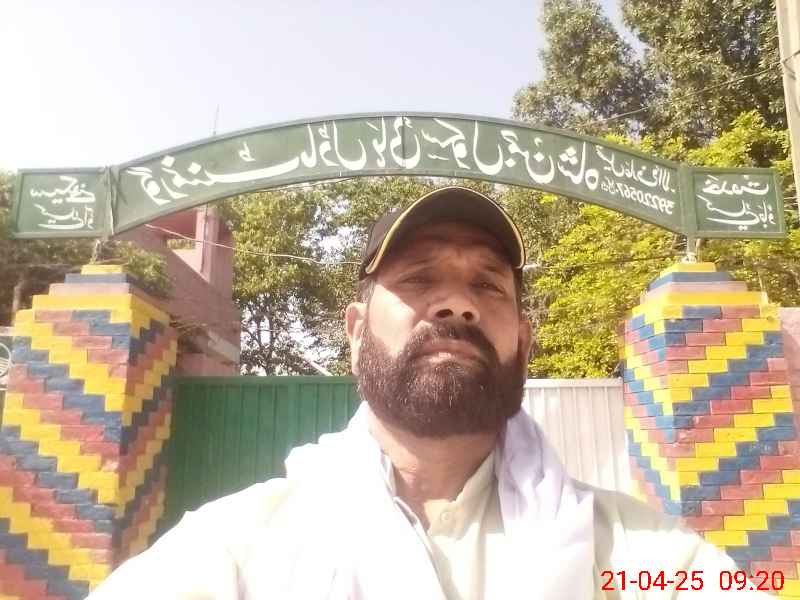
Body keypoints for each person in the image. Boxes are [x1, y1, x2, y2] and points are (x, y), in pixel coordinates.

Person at [90, 186, 769, 599]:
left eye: (488, 286)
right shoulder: (237, 550)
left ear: (524, 341)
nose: (458, 304)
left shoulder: (635, 555)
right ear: (355, 331)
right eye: (418, 279)